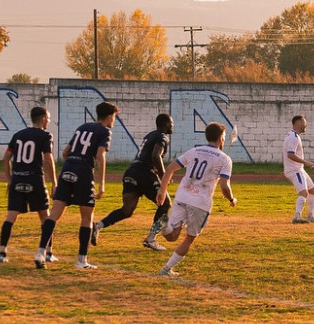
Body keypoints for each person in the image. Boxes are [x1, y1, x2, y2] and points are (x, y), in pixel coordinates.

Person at [35, 102, 116, 270]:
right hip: (83, 172)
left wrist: (73, 164)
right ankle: (81, 261)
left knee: (54, 213)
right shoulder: (105, 131)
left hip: (68, 168)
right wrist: (101, 183)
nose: (113, 121)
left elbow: (65, 153)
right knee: (87, 217)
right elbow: (100, 155)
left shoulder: (83, 127)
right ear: (109, 117)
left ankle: (41, 252)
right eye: (114, 117)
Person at [157, 121, 236, 277]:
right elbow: (225, 186)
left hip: (182, 195)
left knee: (172, 236)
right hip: (200, 202)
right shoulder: (224, 159)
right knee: (189, 238)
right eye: (224, 137)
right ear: (221, 138)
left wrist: (162, 189)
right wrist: (231, 199)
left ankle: (163, 224)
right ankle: (166, 269)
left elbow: (171, 168)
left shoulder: (194, 151)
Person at [93, 113, 172, 251]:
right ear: (165, 124)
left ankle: (97, 226)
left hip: (132, 171)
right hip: (144, 173)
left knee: (127, 210)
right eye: (171, 123)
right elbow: (155, 155)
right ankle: (151, 239)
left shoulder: (150, 135)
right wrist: (164, 176)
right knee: (165, 203)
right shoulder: (162, 136)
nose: (173, 125)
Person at [0, 106, 57, 263]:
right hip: (35, 179)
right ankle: (49, 253)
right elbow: (48, 158)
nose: (49, 121)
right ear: (44, 119)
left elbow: (6, 159)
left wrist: (9, 180)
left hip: (18, 179)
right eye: (49, 118)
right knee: (45, 217)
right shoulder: (45, 135)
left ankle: (2, 253)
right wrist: (54, 181)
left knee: (11, 216)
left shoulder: (18, 135)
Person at [283, 114, 314, 224]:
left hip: (298, 169)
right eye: (304, 122)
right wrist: (305, 162)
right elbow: (290, 155)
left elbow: (286, 154)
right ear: (298, 123)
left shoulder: (293, 136)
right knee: (304, 193)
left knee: (312, 190)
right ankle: (297, 217)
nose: (306, 125)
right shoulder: (293, 137)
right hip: (295, 170)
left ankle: (310, 216)